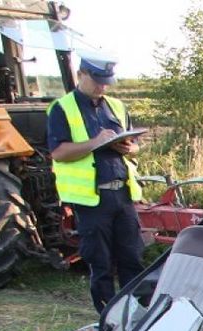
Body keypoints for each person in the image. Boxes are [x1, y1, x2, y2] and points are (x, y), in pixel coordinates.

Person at [46, 58, 145, 314]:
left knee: (131, 258)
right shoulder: (62, 109)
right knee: (100, 262)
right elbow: (58, 152)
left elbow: (134, 147)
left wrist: (129, 147)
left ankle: (134, 312)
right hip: (92, 199)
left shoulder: (117, 107)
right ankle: (107, 317)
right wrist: (96, 142)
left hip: (122, 194)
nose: (103, 88)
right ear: (81, 74)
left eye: (106, 83)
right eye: (98, 82)